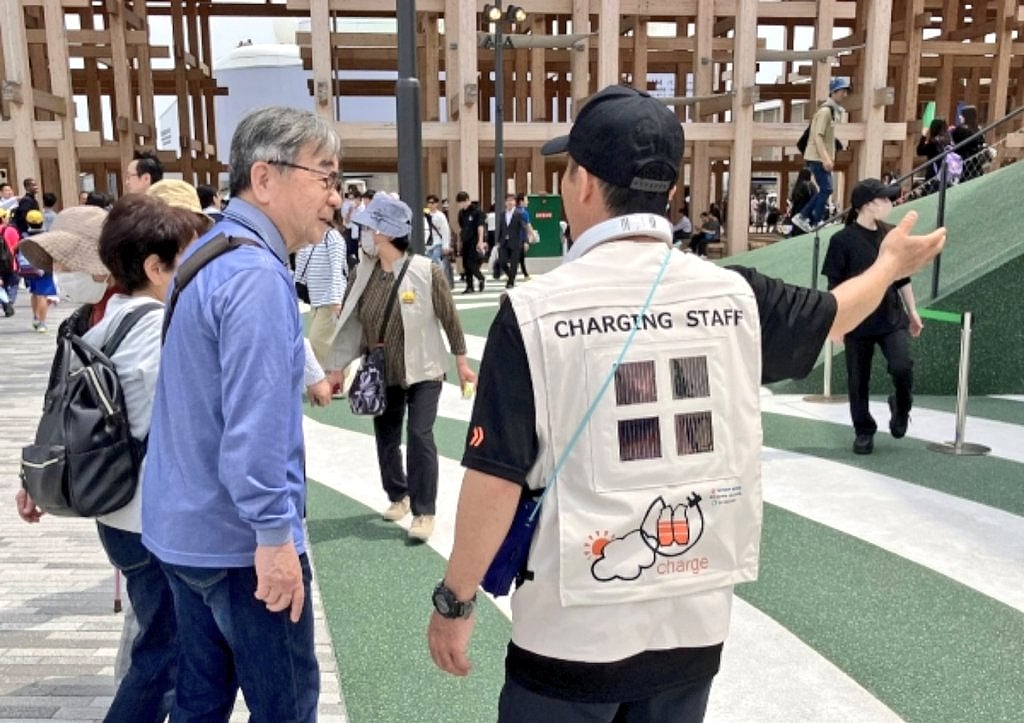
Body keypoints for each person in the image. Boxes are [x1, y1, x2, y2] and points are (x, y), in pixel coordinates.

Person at [425, 84, 945, 721]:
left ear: (583, 184)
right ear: (669, 193)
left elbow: (495, 481)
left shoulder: (534, 312)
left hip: (570, 633)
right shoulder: (736, 297)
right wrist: (889, 263)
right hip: (692, 625)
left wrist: (456, 600)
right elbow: (836, 316)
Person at [141, 106, 340, 720]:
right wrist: (275, 536)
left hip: (182, 528)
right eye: (325, 176)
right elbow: (255, 428)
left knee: (199, 700)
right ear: (265, 177)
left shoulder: (206, 251)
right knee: (285, 705)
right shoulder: (255, 273)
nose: (334, 197)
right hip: (240, 544)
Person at [15, 198, 198, 720]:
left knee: (156, 641)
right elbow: (177, 423)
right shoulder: (154, 326)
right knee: (163, 653)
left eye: (70, 264)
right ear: (151, 264)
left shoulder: (101, 322)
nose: (63, 277)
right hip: (149, 514)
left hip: (116, 510)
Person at [328, 193, 476, 543]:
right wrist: (337, 368)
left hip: (424, 370)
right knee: (386, 439)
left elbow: (449, 318)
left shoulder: (427, 271)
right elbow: (352, 323)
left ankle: (424, 511)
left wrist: (462, 362)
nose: (363, 233)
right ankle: (399, 495)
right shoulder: (362, 273)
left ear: (385, 232)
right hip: (383, 370)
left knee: (420, 435)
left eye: (369, 227)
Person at [822, 178, 922, 455]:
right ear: (867, 205)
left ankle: (901, 407)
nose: (891, 204)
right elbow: (834, 287)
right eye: (886, 200)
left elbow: (901, 277)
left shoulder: (891, 235)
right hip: (857, 320)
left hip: (891, 317)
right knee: (858, 379)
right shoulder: (841, 240)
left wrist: (912, 311)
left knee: (902, 366)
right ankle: (863, 430)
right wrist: (837, 323)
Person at [793, 77, 851, 232]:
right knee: (826, 189)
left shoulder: (831, 111)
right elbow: (817, 136)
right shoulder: (826, 111)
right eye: (842, 91)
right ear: (833, 92)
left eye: (846, 91)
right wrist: (826, 158)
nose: (845, 94)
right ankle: (809, 218)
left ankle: (811, 219)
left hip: (819, 156)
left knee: (827, 189)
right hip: (817, 157)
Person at [293, 210, 347, 374]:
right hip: (315, 299)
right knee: (325, 344)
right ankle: (335, 376)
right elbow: (301, 266)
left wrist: (336, 300)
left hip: (329, 300)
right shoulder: (310, 238)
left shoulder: (333, 237)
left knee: (317, 342)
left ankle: (338, 374)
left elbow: (337, 269)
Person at [456, 191, 487, 293]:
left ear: (467, 200)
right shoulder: (461, 213)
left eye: (462, 202)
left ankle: (480, 277)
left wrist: (480, 241)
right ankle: (469, 286)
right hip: (465, 240)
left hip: (474, 240)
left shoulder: (477, 211)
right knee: (465, 264)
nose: (461, 205)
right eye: (459, 203)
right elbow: (462, 227)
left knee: (471, 263)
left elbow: (480, 226)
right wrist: (460, 242)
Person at [497, 193, 530, 288]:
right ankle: (510, 276)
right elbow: (501, 228)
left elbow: (524, 229)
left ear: (515, 202)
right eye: (508, 201)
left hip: (516, 242)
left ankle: (510, 282)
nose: (510, 203)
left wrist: (526, 241)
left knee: (514, 263)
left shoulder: (519, 214)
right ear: (505, 202)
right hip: (504, 241)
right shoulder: (503, 214)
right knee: (502, 261)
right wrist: (498, 241)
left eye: (512, 201)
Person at [951, 105, 987, 182]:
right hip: (976, 166)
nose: (960, 117)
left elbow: (956, 143)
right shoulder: (979, 130)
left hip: (963, 164)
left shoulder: (961, 131)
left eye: (962, 115)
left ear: (967, 116)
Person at [425, 193, 454, 288]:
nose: (430, 204)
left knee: (435, 261)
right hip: (427, 243)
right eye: (429, 202)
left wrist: (446, 245)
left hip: (437, 242)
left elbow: (445, 230)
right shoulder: (424, 215)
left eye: (432, 202)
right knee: (429, 263)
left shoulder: (440, 216)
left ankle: (440, 281)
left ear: (437, 204)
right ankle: (433, 281)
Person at [916, 118, 951, 192]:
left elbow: (919, 151)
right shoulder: (947, 140)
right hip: (945, 173)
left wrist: (923, 136)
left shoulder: (933, 143)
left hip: (933, 175)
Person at [788, 168, 815, 236]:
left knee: (797, 234)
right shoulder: (810, 185)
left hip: (796, 213)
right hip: (807, 213)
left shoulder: (797, 186)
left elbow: (793, 199)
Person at [515, 194, 537, 280]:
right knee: (519, 257)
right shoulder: (524, 212)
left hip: (515, 238)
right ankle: (524, 274)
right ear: (521, 202)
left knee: (520, 257)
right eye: (526, 200)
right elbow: (528, 225)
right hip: (521, 238)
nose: (528, 202)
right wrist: (533, 235)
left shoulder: (515, 211)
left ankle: (524, 274)